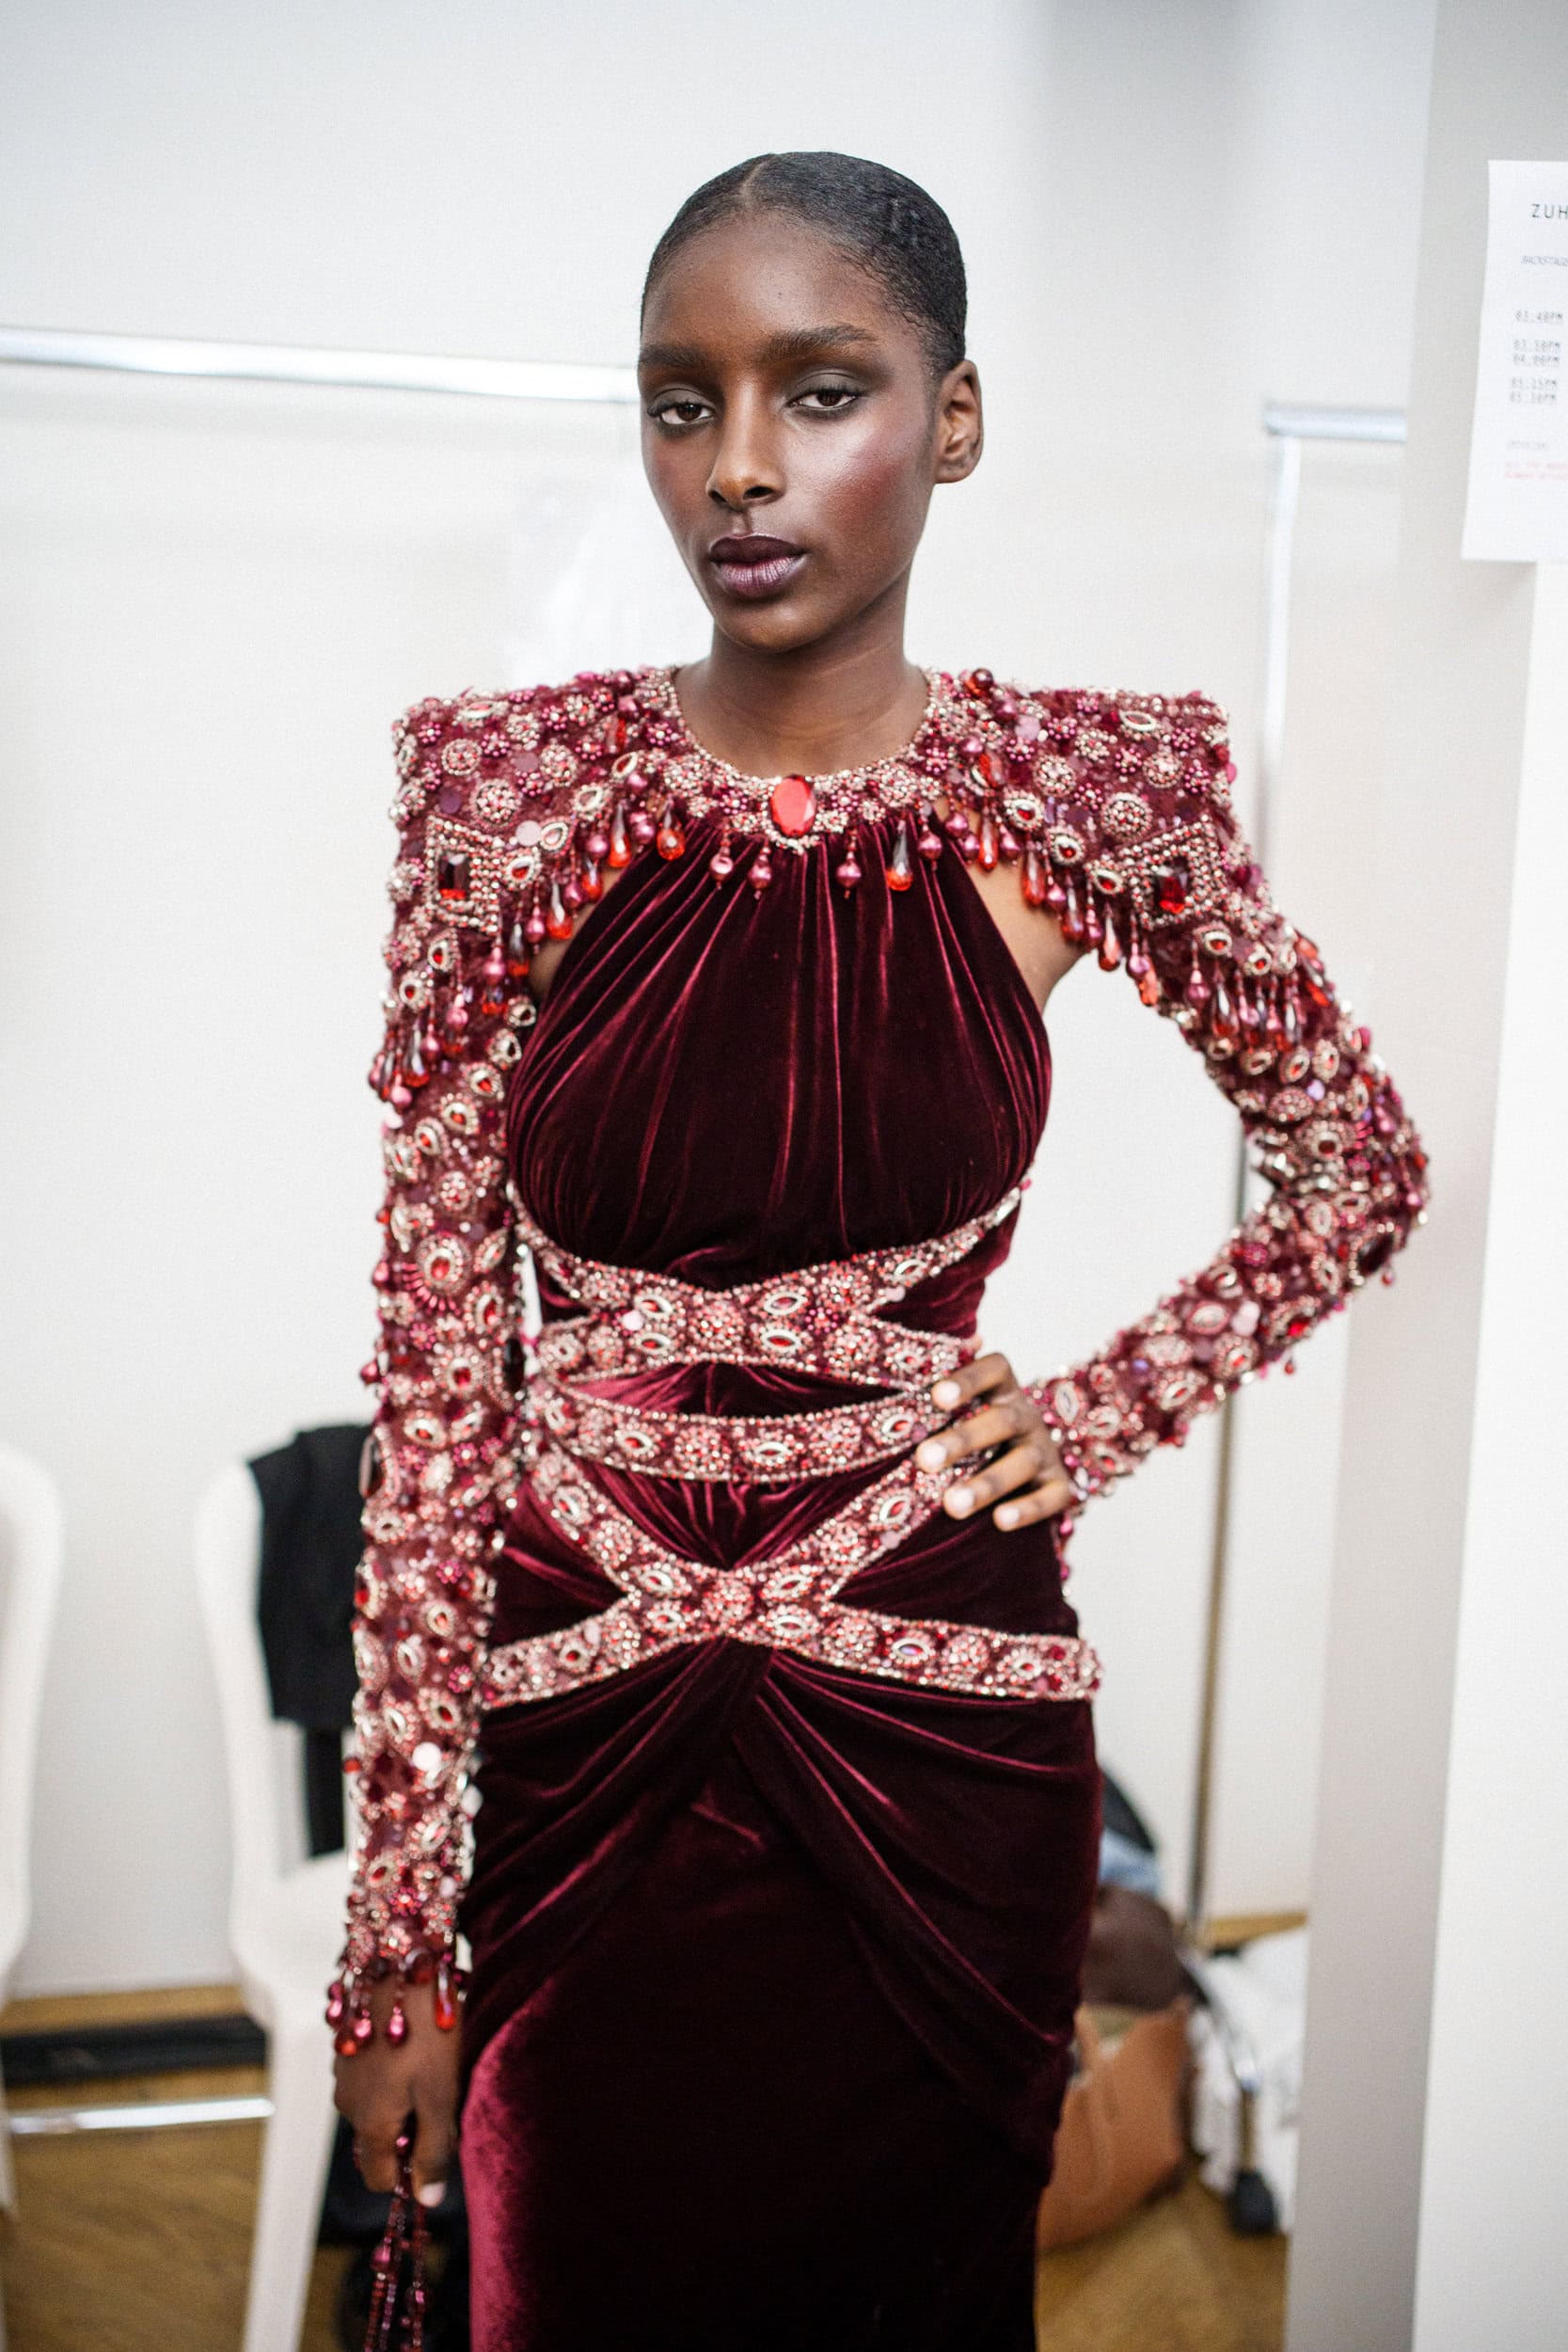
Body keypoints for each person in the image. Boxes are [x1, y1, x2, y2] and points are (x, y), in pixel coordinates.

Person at [329, 151, 1427, 2350]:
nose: (738, 466)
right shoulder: (507, 801)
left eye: (819, 391)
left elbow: (1355, 1163)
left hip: (943, 1739)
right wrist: (394, 1943)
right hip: (580, 1730)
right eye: (683, 402)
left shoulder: (1081, 794)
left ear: (954, 417)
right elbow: (441, 1395)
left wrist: (1095, 1411)